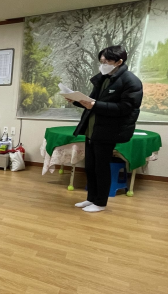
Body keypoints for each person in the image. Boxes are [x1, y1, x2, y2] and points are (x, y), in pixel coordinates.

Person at [71, 45, 143, 213]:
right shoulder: (103, 78)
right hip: (92, 130)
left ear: (119, 62)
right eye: (101, 61)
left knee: (101, 168)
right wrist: (76, 100)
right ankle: (91, 198)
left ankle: (101, 202)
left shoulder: (130, 81)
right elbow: (92, 101)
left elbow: (124, 108)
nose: (103, 64)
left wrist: (95, 104)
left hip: (108, 131)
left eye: (107, 61)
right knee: (90, 166)